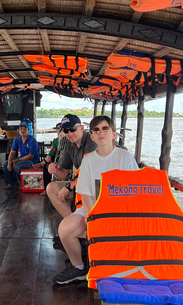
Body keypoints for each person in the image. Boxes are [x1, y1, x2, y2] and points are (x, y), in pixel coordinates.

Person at [52, 115, 139, 285]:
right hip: (92, 208)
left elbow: (134, 192)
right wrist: (93, 217)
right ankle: (79, 268)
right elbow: (85, 194)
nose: (101, 133)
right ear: (91, 136)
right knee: (65, 229)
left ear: (114, 134)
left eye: (105, 129)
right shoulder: (88, 160)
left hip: (119, 211)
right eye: (97, 130)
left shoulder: (125, 158)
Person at [46, 114, 97, 229]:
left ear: (82, 128)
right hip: (79, 184)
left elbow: (90, 175)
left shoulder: (91, 141)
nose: (69, 133)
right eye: (65, 130)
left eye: (72, 129)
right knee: (51, 188)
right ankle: (73, 226)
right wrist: (54, 170)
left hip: (95, 185)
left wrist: (70, 186)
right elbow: (62, 173)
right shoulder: (69, 144)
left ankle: (76, 228)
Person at [2, 120, 40, 189]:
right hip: (21, 159)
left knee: (17, 166)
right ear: (18, 130)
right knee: (5, 164)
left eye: (25, 129)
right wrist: (9, 164)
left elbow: (31, 156)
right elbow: (12, 152)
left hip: (32, 161)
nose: (23, 131)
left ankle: (21, 183)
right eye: (21, 129)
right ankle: (11, 184)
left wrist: (18, 160)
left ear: (28, 130)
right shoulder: (17, 139)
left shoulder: (32, 140)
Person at [32, 122, 63, 196]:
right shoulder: (55, 141)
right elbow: (52, 151)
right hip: (57, 159)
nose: (60, 131)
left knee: (47, 163)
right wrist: (48, 157)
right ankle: (47, 189)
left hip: (65, 159)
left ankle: (43, 162)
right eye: (58, 129)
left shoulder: (69, 139)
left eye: (61, 129)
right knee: (47, 167)